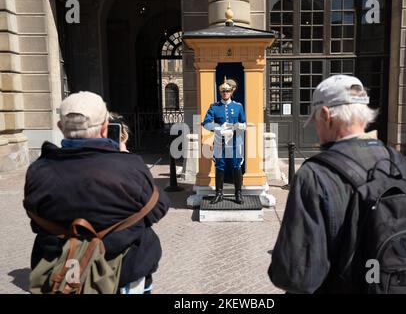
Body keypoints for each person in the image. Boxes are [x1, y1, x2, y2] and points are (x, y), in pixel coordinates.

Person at [268, 75, 406, 293]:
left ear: (326, 115)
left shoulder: (315, 175)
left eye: (316, 122)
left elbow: (296, 276)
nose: (316, 131)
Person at [23, 91, 170, 294]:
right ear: (105, 127)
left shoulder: (38, 170)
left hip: (60, 275)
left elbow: (35, 217)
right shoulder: (130, 167)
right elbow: (158, 208)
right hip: (122, 271)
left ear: (60, 127)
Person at [202, 77, 246, 204]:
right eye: (223, 91)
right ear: (220, 92)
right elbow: (206, 123)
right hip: (220, 142)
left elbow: (244, 123)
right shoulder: (214, 107)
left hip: (234, 142)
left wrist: (238, 126)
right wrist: (218, 128)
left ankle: (238, 194)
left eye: (227, 91)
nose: (225, 93)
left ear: (231, 92)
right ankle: (219, 194)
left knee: (236, 165)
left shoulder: (238, 106)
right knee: (220, 166)